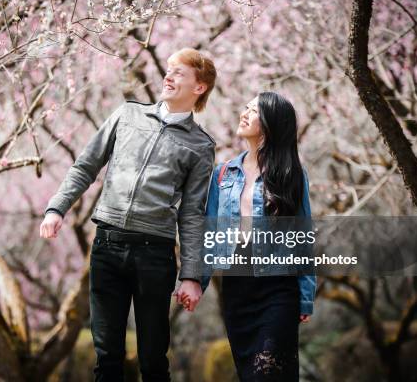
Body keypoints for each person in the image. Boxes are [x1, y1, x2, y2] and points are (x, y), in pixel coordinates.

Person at [40, 48, 217, 382]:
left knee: (152, 359)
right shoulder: (128, 115)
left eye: (178, 72)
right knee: (107, 357)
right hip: (108, 245)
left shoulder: (201, 146)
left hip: (155, 254)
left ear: (199, 87)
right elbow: (86, 165)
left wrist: (192, 275)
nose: (168, 76)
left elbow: (193, 214)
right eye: (168, 69)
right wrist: (56, 208)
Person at [200, 92, 316, 381]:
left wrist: (304, 297)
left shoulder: (292, 175)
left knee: (267, 374)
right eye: (246, 108)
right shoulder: (223, 173)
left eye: (253, 110)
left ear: (270, 123)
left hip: (278, 288)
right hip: (237, 290)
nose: (244, 113)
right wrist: (194, 282)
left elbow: (302, 238)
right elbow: (209, 234)